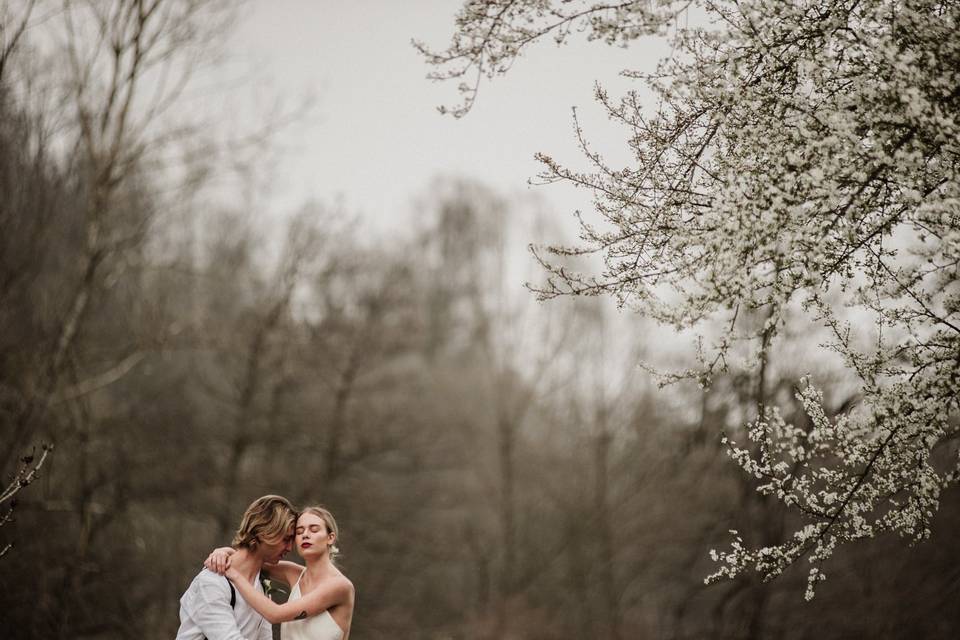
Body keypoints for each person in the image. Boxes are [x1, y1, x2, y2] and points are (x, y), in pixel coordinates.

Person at [206, 506, 354, 640]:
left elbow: (275, 614)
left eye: (314, 529)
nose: (305, 535)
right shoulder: (293, 573)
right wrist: (222, 552)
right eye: (299, 532)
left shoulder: (340, 586)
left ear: (330, 538)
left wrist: (234, 575)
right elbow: (248, 560)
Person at [176, 495, 297, 640]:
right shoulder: (211, 583)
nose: (290, 548)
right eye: (286, 539)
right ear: (265, 532)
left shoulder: (260, 585)